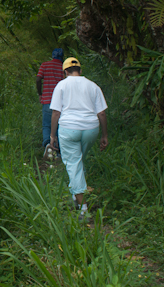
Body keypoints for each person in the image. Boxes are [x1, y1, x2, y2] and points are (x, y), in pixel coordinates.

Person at [49, 57, 108, 221]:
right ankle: (75, 195)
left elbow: (55, 113)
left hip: (69, 129)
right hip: (91, 129)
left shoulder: (61, 85)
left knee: (74, 163)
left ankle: (83, 209)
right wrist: (104, 135)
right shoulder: (93, 86)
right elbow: (101, 113)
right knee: (78, 161)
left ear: (65, 72)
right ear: (80, 70)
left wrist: (52, 136)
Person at [36, 48, 65, 158]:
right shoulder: (63, 68)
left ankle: (48, 145)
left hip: (47, 100)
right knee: (58, 125)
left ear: (52, 56)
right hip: (60, 102)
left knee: (46, 125)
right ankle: (57, 150)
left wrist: (40, 93)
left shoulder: (44, 65)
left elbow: (38, 79)